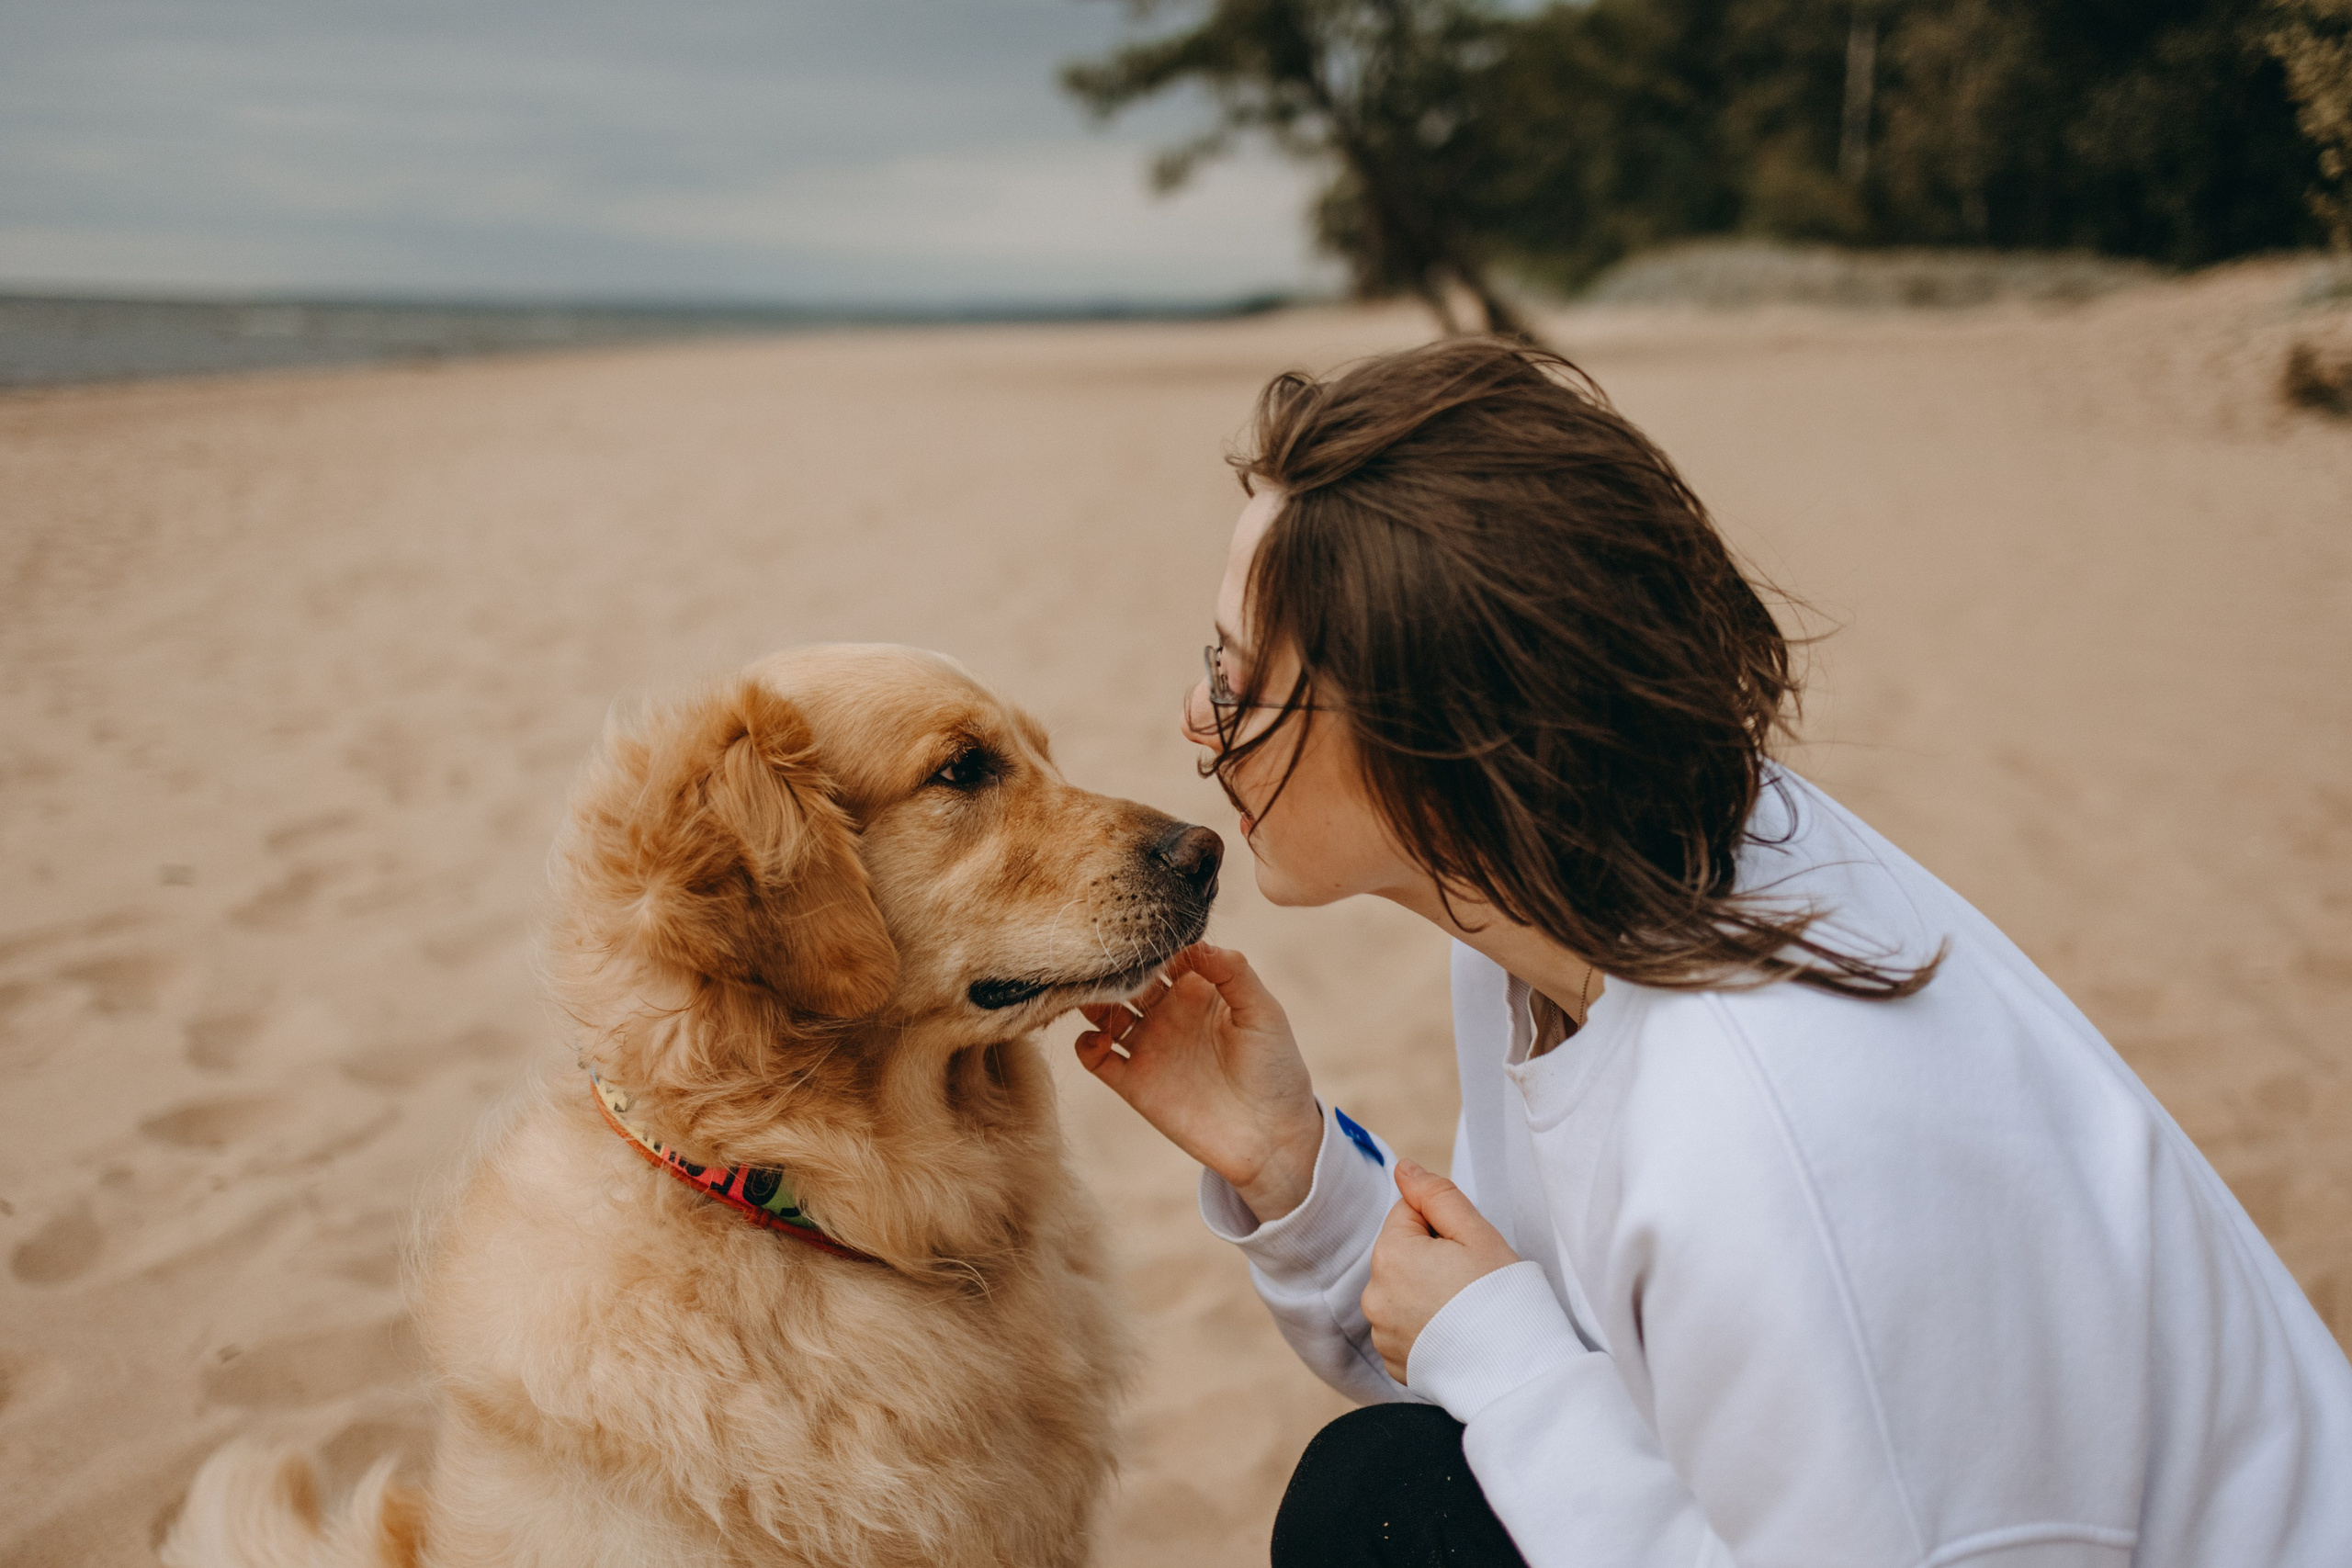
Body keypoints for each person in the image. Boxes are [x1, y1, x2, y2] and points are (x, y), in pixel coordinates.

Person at [1074, 338, 2352, 1568]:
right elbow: (1546, 1352)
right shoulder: (1558, 900)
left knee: (1378, 1512)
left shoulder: (1781, 1134)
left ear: (1435, 738)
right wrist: (1295, 1171)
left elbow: (1542, 1372)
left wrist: (1501, 1358)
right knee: (1384, 1501)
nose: (1197, 715)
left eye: (1239, 681)